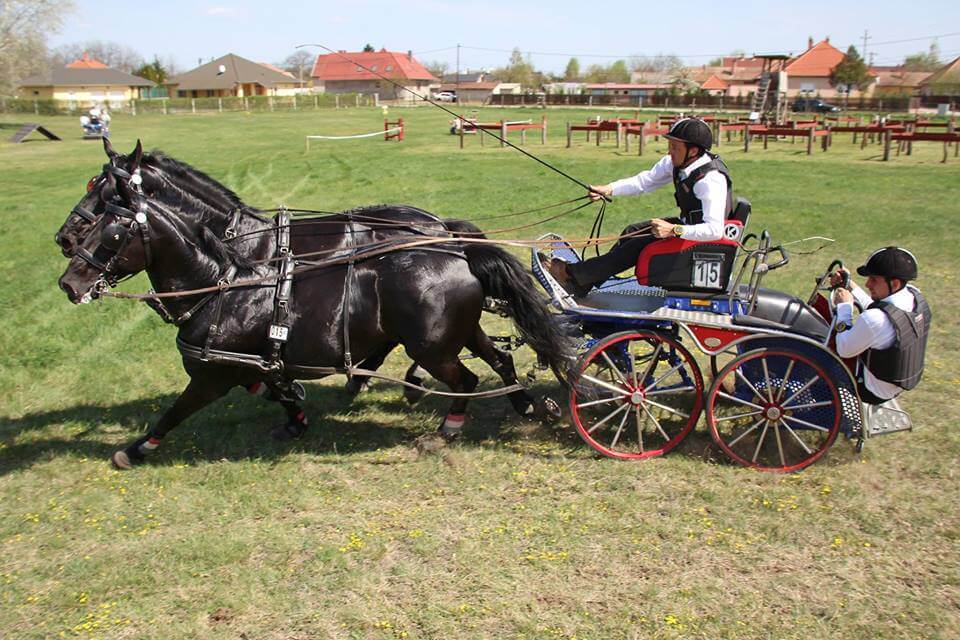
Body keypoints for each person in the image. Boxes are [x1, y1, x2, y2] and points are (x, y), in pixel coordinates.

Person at [540, 117, 733, 295]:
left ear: (693, 151)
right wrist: (608, 189)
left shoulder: (710, 180)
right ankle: (584, 281)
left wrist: (674, 230)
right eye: (670, 145)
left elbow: (715, 230)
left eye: (675, 147)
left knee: (637, 245)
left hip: (700, 241)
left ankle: (573, 275)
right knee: (631, 231)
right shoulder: (678, 163)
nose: (669, 151)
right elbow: (645, 181)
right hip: (685, 229)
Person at [830, 247, 931, 404]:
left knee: (819, 342)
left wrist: (844, 307)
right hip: (894, 382)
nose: (868, 284)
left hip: (870, 390)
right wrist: (850, 286)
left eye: (874, 280)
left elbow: (843, 349)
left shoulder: (875, 319)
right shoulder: (913, 296)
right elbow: (881, 309)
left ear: (895, 283)